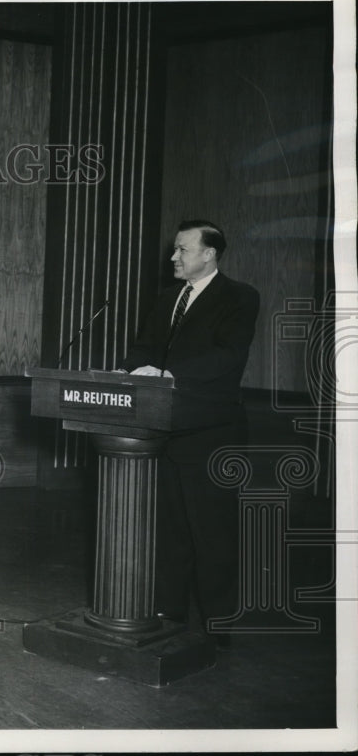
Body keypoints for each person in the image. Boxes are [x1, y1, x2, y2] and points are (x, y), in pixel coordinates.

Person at [119, 219, 260, 643]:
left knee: (213, 535)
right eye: (175, 250)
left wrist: (167, 373)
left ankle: (219, 627)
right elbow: (145, 347)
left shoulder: (239, 297)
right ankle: (169, 615)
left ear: (210, 253)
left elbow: (227, 357)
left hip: (213, 434)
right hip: (165, 429)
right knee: (171, 533)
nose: (173, 257)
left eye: (182, 249)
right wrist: (128, 371)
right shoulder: (167, 299)